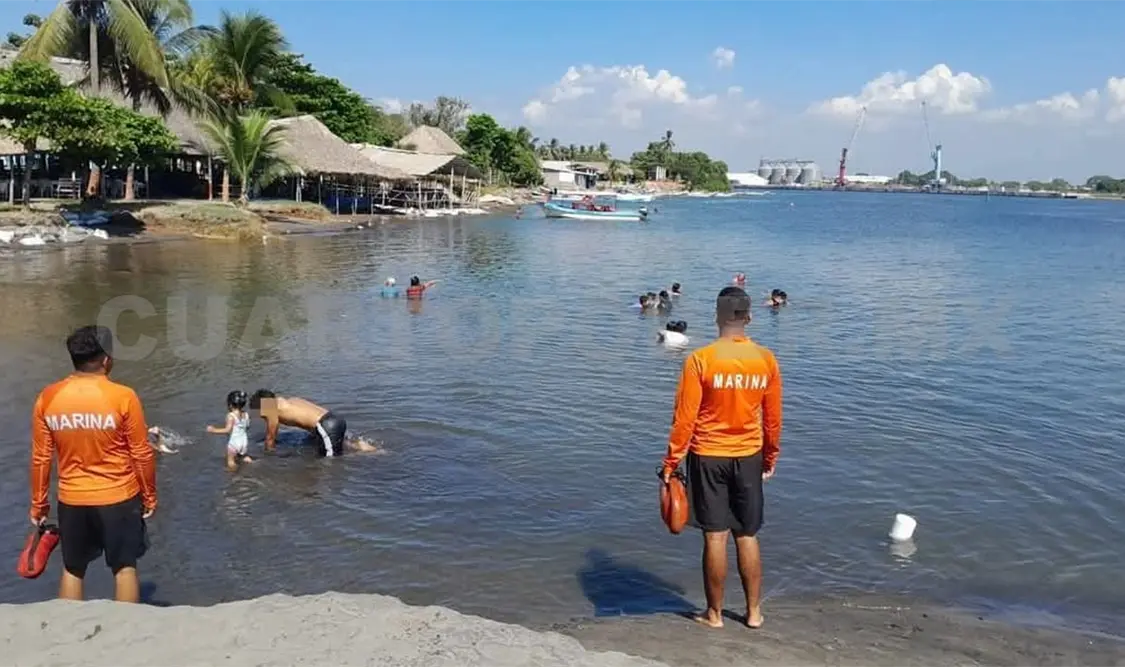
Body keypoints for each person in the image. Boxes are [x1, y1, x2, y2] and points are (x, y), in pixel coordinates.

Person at [660, 286, 782, 630]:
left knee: (715, 536)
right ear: (749, 317)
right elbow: (773, 419)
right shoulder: (766, 359)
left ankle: (714, 615)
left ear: (717, 316)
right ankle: (754, 613)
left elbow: (684, 419)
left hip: (707, 454)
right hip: (749, 454)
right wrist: (770, 457)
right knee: (747, 534)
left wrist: (671, 464)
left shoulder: (701, 359)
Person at [29, 325, 156, 602]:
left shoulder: (48, 398)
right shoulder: (123, 397)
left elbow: (41, 457)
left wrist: (39, 504)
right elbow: (141, 452)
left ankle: (69, 630)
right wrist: (149, 495)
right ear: (107, 359)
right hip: (118, 495)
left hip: (72, 498)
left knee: (73, 569)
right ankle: (125, 628)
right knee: (124, 567)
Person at [249, 390, 376, 457]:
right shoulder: (290, 400)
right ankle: (362, 447)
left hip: (326, 426)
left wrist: (267, 455)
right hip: (334, 419)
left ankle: (366, 458)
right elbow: (308, 420)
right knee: (338, 445)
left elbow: (271, 436)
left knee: (330, 462)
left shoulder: (269, 407)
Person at [207, 390, 252, 471]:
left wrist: (213, 430)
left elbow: (227, 430)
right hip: (244, 442)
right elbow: (248, 427)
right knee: (243, 456)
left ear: (230, 405)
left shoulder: (230, 416)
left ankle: (234, 475)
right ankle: (251, 464)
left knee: (230, 461)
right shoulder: (246, 414)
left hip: (234, 443)